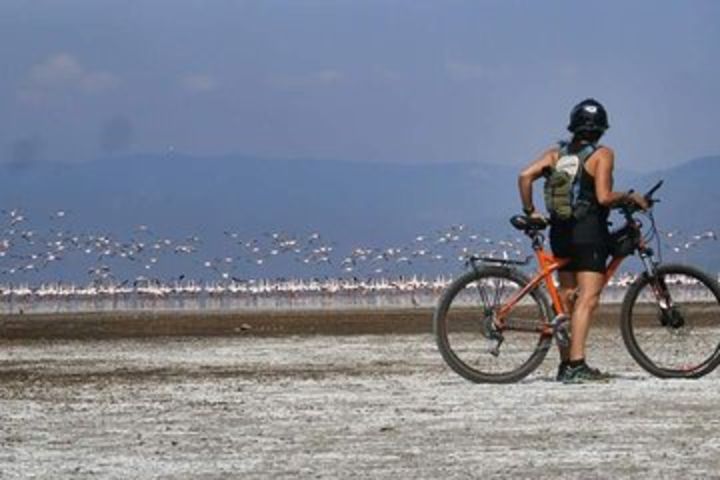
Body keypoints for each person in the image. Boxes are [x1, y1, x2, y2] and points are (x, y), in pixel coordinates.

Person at [517, 98, 648, 383]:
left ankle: (565, 365)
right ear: (601, 129)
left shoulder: (556, 154)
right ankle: (577, 365)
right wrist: (630, 196)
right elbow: (603, 197)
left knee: (566, 298)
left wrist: (531, 212)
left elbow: (525, 176)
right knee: (587, 299)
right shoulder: (602, 155)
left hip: (560, 233)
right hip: (588, 233)